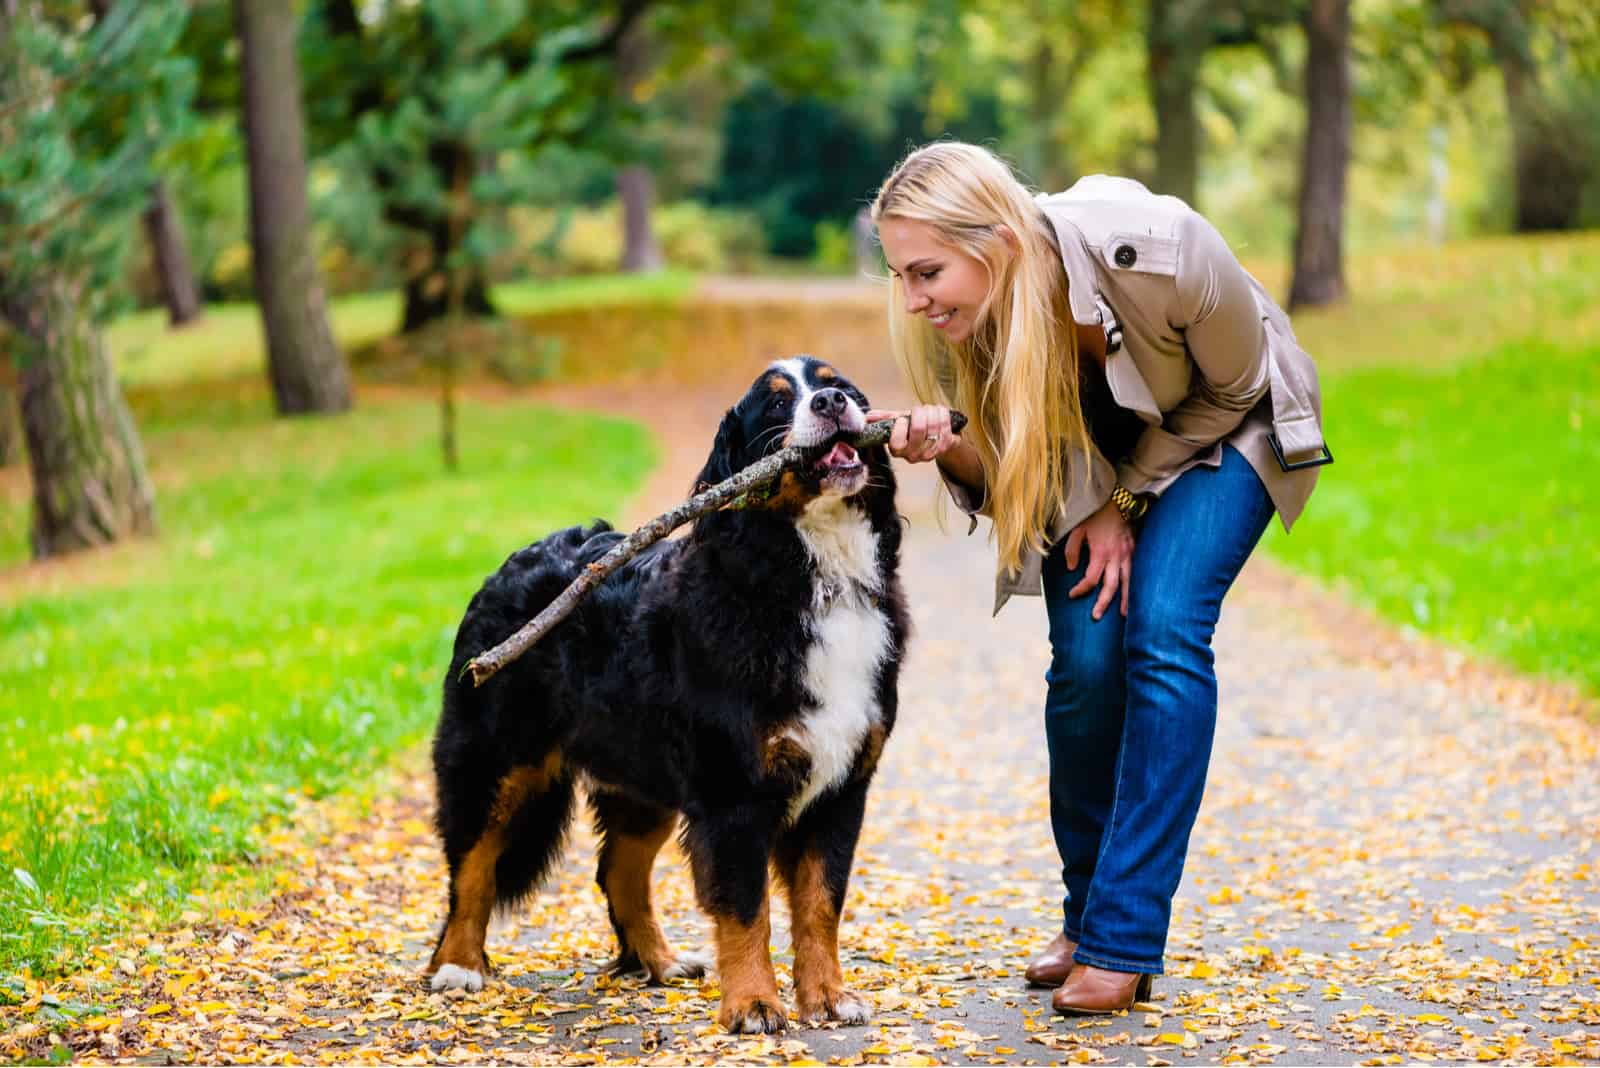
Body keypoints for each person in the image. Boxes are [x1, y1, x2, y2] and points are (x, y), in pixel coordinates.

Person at [864, 142, 1330, 1015]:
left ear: (996, 239)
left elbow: (1231, 390)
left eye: (927, 271)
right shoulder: (959, 325)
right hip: (1098, 469)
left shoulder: (1163, 247)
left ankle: (1124, 936)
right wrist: (949, 446)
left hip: (1234, 429)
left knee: (1161, 627)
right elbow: (1015, 479)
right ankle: (1086, 917)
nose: (916, 298)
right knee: (1083, 665)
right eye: (901, 278)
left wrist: (1122, 494)